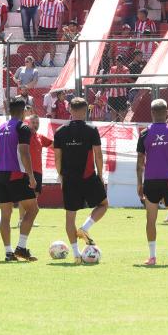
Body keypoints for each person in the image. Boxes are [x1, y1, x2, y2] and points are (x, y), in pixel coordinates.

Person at [53, 96, 109, 264]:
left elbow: (57, 158)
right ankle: (85, 228)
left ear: (70, 110)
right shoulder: (92, 130)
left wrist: (60, 175)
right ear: (85, 111)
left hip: (69, 178)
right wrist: (100, 174)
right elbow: (98, 154)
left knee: (70, 217)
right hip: (88, 176)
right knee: (104, 204)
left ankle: (76, 254)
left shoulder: (60, 131)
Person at [136, 98, 168, 266]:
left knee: (151, 219)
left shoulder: (144, 133)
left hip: (151, 180)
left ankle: (152, 257)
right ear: (166, 113)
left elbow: (140, 161)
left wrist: (139, 183)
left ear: (151, 113)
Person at [0, 98, 39, 262]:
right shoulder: (23, 127)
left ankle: (8, 253)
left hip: (1, 174)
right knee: (33, 209)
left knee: (5, 215)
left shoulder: (0, 128)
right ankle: (21, 247)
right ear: (22, 111)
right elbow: (24, 152)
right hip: (16, 174)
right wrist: (31, 177)